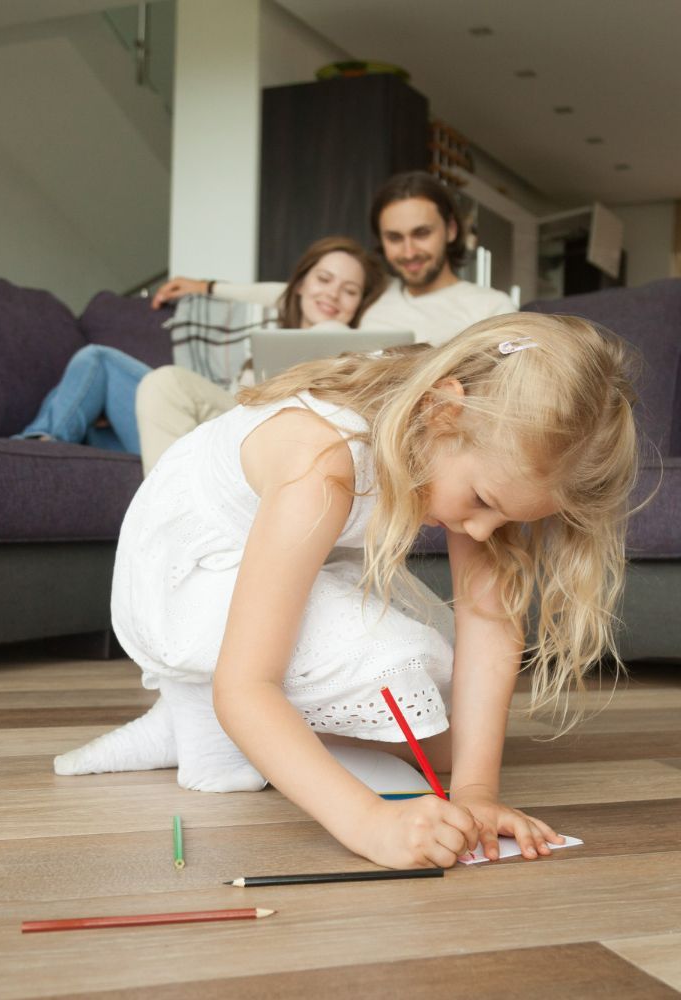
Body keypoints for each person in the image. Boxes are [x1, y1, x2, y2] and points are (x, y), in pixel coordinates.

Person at [53, 312, 640, 870]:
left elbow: (489, 620)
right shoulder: (324, 464)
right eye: (484, 504)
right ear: (443, 411)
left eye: (510, 520)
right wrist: (368, 824)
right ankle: (203, 711)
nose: (485, 532)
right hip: (185, 577)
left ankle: (217, 720)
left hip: (280, 563)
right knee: (395, 668)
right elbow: (248, 683)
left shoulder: (466, 443)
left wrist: (477, 791)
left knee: (445, 735)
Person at [139, 171, 514, 470]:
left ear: (450, 230)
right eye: (394, 238)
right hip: (297, 411)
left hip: (384, 430)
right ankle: (170, 518)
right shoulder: (375, 292)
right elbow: (290, 292)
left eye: (421, 234)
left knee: (332, 333)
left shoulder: (488, 306)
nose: (409, 251)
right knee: (164, 384)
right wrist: (206, 286)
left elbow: (500, 389)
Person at [13, 236, 384, 454]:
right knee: (92, 405)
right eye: (323, 279)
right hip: (206, 421)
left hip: (234, 436)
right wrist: (208, 287)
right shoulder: (270, 328)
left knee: (100, 361)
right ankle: (40, 444)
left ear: (359, 304)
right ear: (300, 284)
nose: (332, 294)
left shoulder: (348, 346)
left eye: (349, 290)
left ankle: (35, 445)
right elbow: (276, 294)